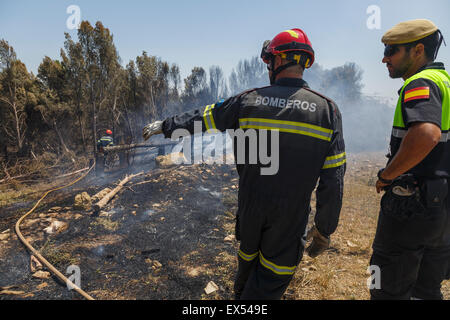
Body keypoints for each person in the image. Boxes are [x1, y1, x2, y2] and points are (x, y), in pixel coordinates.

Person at [142, 28, 346, 300]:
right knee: (271, 279)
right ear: (303, 62)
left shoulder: (248, 100)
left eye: (269, 61)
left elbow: (204, 117)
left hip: (251, 208)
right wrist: (324, 228)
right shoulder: (327, 111)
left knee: (247, 267)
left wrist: (166, 126)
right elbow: (334, 179)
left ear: (277, 61)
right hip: (291, 215)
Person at [371, 19, 450, 300]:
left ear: (417, 50)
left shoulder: (421, 83)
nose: (384, 58)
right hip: (440, 208)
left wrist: (387, 175)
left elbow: (426, 133)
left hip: (412, 205)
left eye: (392, 50)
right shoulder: (446, 82)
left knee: (385, 287)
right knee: (426, 290)